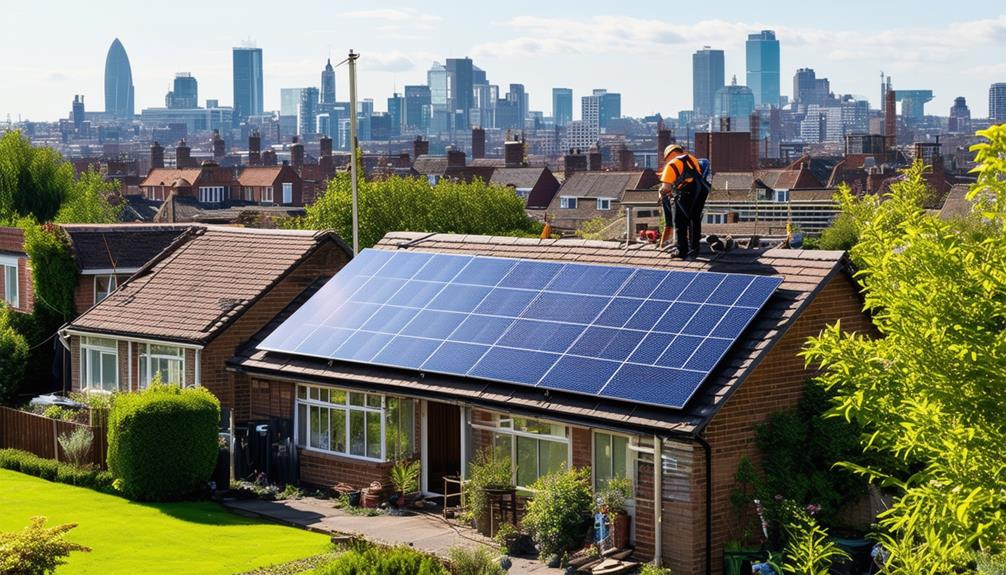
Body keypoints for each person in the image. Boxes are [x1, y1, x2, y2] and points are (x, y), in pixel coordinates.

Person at [658, 144, 710, 258]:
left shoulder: (670, 165)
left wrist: (661, 193)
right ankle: (695, 248)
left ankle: (682, 250)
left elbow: (666, 188)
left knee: (680, 221)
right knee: (694, 219)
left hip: (687, 191)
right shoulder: (691, 159)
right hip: (701, 189)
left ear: (667, 156)